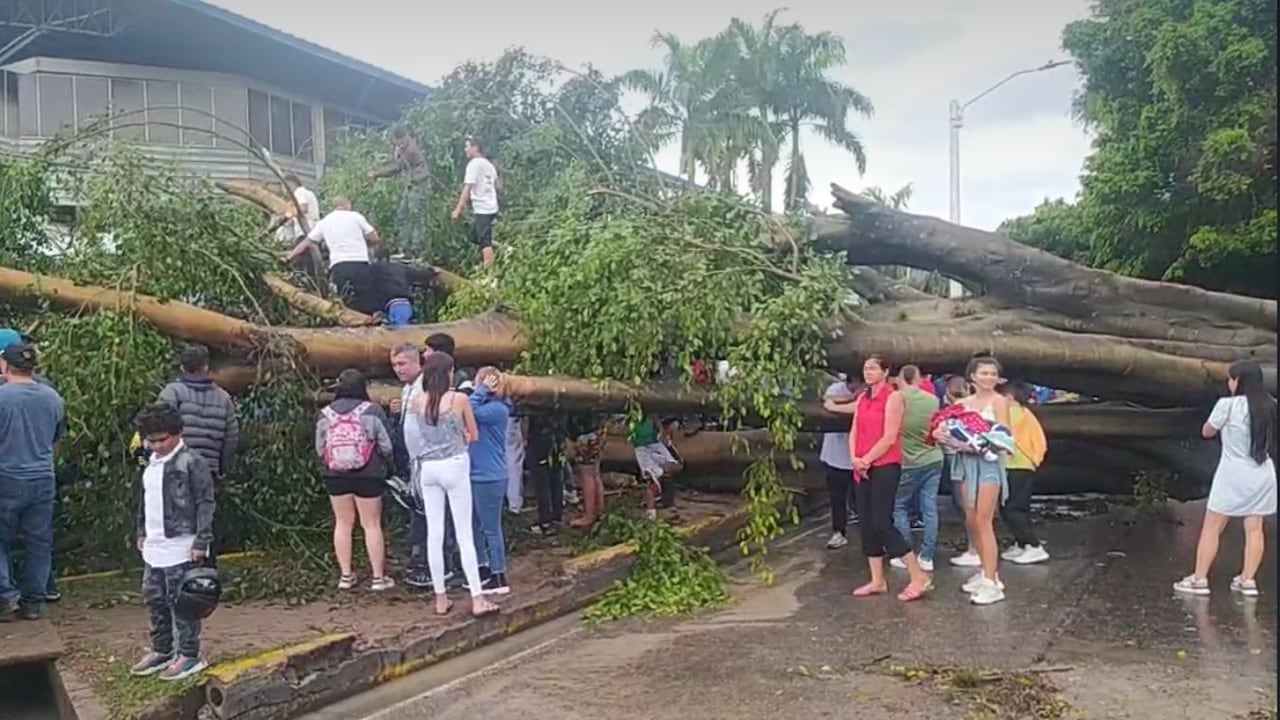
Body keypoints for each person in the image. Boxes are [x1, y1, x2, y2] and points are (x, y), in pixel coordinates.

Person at [825, 355, 932, 602]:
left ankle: (918, 576)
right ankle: (877, 579)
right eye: (866, 369)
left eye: (874, 368)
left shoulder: (893, 397)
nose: (868, 372)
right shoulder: (863, 397)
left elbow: (889, 436)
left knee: (882, 521)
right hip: (861, 465)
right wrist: (855, 458)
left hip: (884, 464)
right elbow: (854, 430)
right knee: (866, 522)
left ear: (885, 372)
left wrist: (867, 459)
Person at [404, 352, 499, 617]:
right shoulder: (459, 399)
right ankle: (478, 599)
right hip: (455, 464)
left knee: (434, 533)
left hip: (429, 469)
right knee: (464, 533)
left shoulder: (417, 400)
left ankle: (440, 598)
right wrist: (460, 437)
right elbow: (473, 434)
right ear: (448, 373)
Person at [127, 403, 214, 681]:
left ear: (177, 433)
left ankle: (189, 653)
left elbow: (205, 502)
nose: (156, 445)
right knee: (155, 599)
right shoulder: (151, 463)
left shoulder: (192, 462)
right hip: (154, 545)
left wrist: (202, 539)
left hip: (182, 544)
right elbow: (145, 500)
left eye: (162, 439)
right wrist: (142, 530)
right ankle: (161, 649)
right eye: (150, 440)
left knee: (183, 603)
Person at [1174, 359, 1277, 597]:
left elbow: (1207, 431)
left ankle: (1200, 579)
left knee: (1212, 527)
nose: (1228, 383)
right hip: (1262, 473)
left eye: (1231, 379)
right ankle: (1248, 580)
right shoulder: (1271, 406)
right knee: (1254, 528)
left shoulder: (1227, 406)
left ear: (1239, 381)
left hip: (1232, 474)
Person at [935, 355, 1012, 606]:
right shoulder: (964, 403)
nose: (989, 377)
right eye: (984, 373)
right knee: (970, 518)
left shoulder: (1000, 402)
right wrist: (941, 434)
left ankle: (992, 581)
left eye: (993, 373)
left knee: (983, 519)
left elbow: (1005, 438)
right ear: (973, 376)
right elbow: (946, 426)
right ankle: (984, 570)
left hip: (988, 464)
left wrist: (976, 446)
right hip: (965, 465)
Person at [0, 343, 65, 622]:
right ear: (33, 367)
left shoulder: (1, 398)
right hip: (43, 476)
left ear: (5, 365)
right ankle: (35, 602)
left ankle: (5, 597)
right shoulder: (53, 398)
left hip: (7, 476)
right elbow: (57, 440)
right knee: (39, 542)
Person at [316, 370, 395, 592]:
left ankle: (345, 576)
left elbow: (320, 448)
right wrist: (388, 466)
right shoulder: (372, 410)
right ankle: (378, 578)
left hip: (336, 475)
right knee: (371, 524)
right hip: (368, 474)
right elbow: (387, 445)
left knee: (343, 524)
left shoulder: (325, 414)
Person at [283, 198, 381, 315]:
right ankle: (369, 321)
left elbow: (307, 242)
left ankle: (349, 323)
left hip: (339, 264)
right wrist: (367, 244)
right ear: (347, 205)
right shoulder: (356, 216)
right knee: (365, 297)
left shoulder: (325, 222)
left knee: (345, 298)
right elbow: (374, 237)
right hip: (360, 262)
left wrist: (289, 257)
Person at [890, 365, 944, 572]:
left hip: (907, 461)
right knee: (929, 508)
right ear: (919, 378)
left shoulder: (896, 398)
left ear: (901, 377)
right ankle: (927, 556)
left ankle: (906, 554)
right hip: (933, 458)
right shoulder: (932, 400)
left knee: (899, 507)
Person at [157, 345, 239, 482]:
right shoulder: (224, 399)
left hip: (175, 470)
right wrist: (223, 471)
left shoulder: (173, 392)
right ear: (206, 367)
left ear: (183, 367)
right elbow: (231, 440)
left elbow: (157, 426)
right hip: (208, 472)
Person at [388, 344, 431, 588]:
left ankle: (429, 563)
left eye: (402, 364)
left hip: (428, 461)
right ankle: (420, 560)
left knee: (427, 515)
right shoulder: (406, 390)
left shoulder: (426, 387)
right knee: (417, 512)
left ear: (417, 362)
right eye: (394, 365)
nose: (398, 369)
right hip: (413, 462)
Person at [468, 367, 511, 595]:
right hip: (476, 474)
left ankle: (499, 574)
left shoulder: (497, 409)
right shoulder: (489, 406)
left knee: (491, 528)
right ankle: (482, 566)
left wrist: (481, 390)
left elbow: (468, 411)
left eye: (479, 383)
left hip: (490, 476)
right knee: (474, 525)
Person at [997, 381, 1049, 565]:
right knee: (1009, 507)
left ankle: (1034, 546)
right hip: (1018, 465)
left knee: (1013, 508)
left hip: (1018, 465)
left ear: (1009, 398)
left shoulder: (1013, 412)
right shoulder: (1024, 412)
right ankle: (1022, 543)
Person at [368, 124, 431, 259]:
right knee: (403, 216)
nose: (397, 144)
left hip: (418, 186)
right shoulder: (402, 148)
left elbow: (396, 168)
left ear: (404, 137)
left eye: (399, 141)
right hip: (409, 186)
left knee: (416, 217)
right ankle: (405, 249)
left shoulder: (411, 150)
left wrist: (376, 174)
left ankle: (417, 251)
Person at [820, 375, 858, 549]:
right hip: (836, 456)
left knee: (864, 498)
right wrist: (852, 396)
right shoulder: (835, 390)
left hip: (859, 458)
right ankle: (839, 532)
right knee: (837, 498)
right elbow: (828, 403)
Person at [450, 138, 500, 269]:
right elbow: (496, 185)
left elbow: (468, 187)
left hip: (483, 209)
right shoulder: (489, 165)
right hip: (491, 207)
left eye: (467, 146)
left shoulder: (474, 164)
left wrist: (458, 209)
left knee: (484, 242)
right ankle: (501, 249)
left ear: (475, 147)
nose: (465, 149)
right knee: (474, 236)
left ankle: (490, 277)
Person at [630, 413, 683, 521]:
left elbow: (654, 416)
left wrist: (662, 432)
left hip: (655, 444)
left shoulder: (653, 416)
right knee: (651, 479)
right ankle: (651, 512)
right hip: (642, 448)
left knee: (671, 469)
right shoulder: (633, 416)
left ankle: (668, 505)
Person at [566, 415, 607, 528]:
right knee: (595, 474)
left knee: (587, 476)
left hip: (585, 432)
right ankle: (599, 510)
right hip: (598, 430)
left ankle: (589, 516)